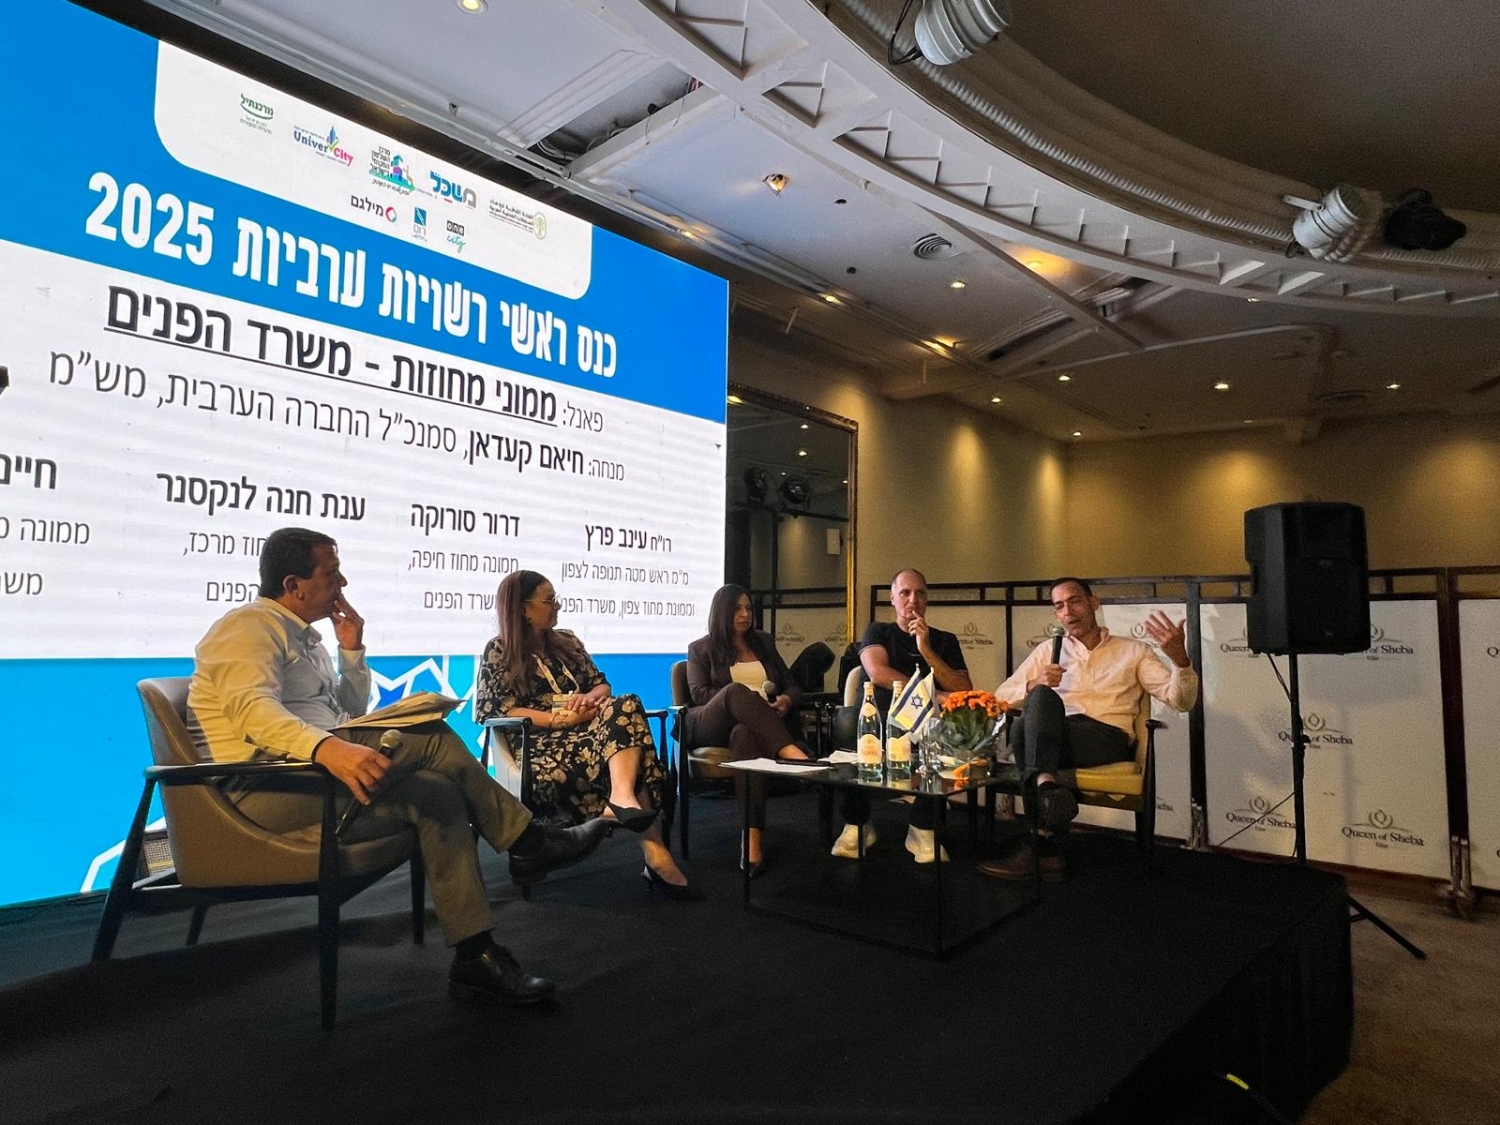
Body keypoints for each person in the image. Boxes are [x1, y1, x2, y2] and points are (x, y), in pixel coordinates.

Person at [187, 527, 613, 1009]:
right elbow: (253, 714)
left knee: (438, 794)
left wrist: (351, 652)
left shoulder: (306, 640)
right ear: (293, 585)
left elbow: (348, 711)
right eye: (332, 574)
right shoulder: (247, 627)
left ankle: (475, 956)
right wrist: (329, 749)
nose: (342, 583)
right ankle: (527, 841)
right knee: (429, 735)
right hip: (261, 790)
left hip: (310, 778)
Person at [475, 570, 700, 900]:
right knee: (630, 752)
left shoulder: (567, 641)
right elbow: (496, 711)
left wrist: (590, 699)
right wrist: (559, 719)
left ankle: (622, 797)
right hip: (540, 743)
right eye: (549, 600)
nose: (558, 606)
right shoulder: (499, 651)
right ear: (524, 608)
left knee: (627, 703)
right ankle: (655, 855)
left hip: (590, 732)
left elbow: (601, 684)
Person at [979, 576, 1198, 880]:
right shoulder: (1048, 650)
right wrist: (1034, 682)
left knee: (1021, 734)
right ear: (1056, 615)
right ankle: (1047, 805)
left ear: (1094, 603)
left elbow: (1181, 701)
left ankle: (1041, 830)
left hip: (1106, 739)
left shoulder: (1133, 651)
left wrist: (1180, 661)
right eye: (1059, 606)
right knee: (1037, 702)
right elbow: (1001, 697)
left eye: (1075, 601)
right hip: (1057, 738)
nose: (1068, 611)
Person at [834, 568, 975, 863]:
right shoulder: (878, 631)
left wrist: (926, 649)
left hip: (928, 722)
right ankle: (857, 824)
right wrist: (934, 694)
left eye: (920, 593)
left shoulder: (944, 640)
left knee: (952, 728)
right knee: (849, 723)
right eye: (905, 593)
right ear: (892, 598)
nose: (913, 600)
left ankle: (922, 827)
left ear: (927, 599)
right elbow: (877, 672)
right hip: (878, 716)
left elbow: (962, 689)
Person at [683, 585, 809, 875]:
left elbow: (791, 685)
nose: (745, 614)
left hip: (752, 725)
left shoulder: (763, 642)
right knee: (736, 692)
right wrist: (749, 699)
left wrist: (786, 700)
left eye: (749, 608)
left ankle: (752, 838)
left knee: (745, 735)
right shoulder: (700, 648)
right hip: (710, 722)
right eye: (737, 609)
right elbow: (699, 693)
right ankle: (791, 752)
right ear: (722, 612)